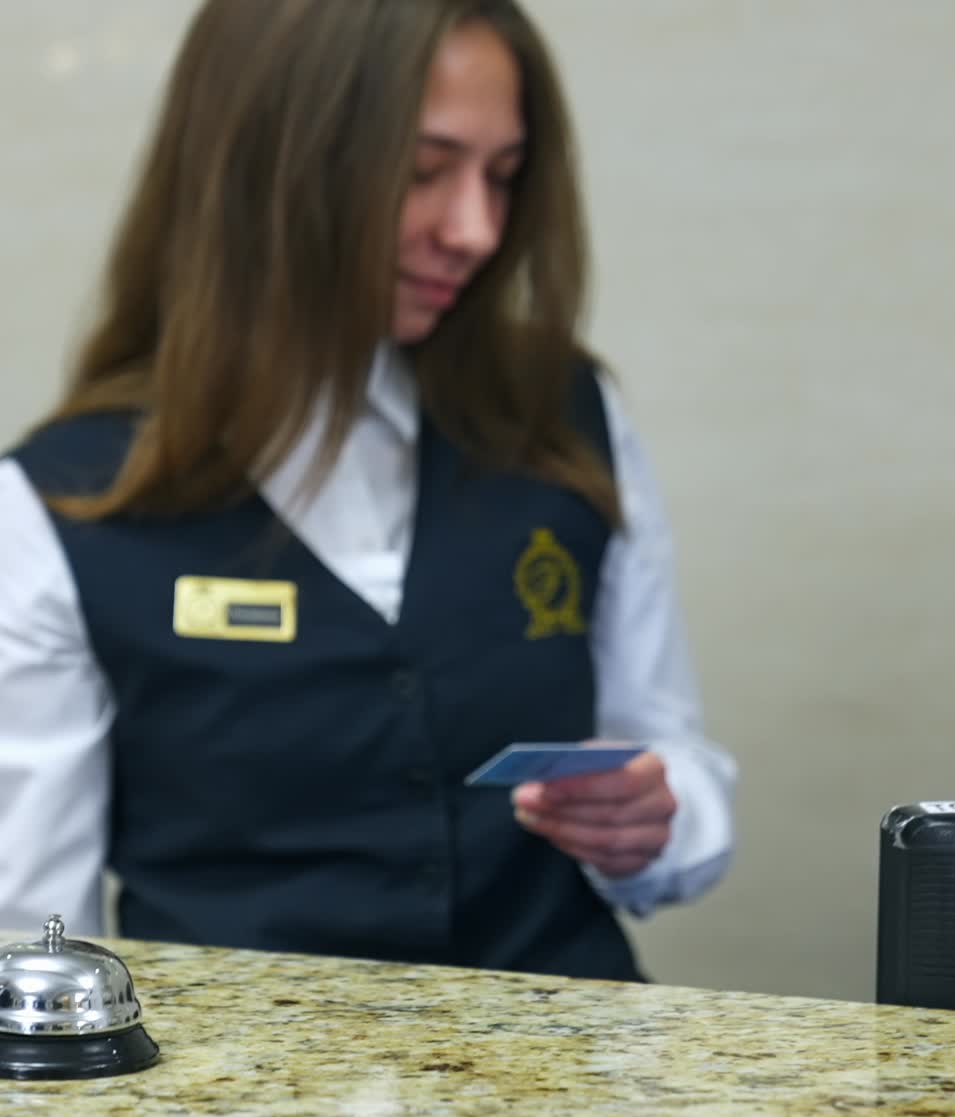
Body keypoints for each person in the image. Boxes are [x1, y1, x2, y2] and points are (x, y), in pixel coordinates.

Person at [0, 0, 735, 982]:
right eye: (424, 171)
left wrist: (653, 815)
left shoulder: (567, 415)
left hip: (564, 1103)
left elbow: (668, 750)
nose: (474, 229)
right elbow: (32, 944)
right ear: (266, 165)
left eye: (502, 177)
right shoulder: (59, 507)